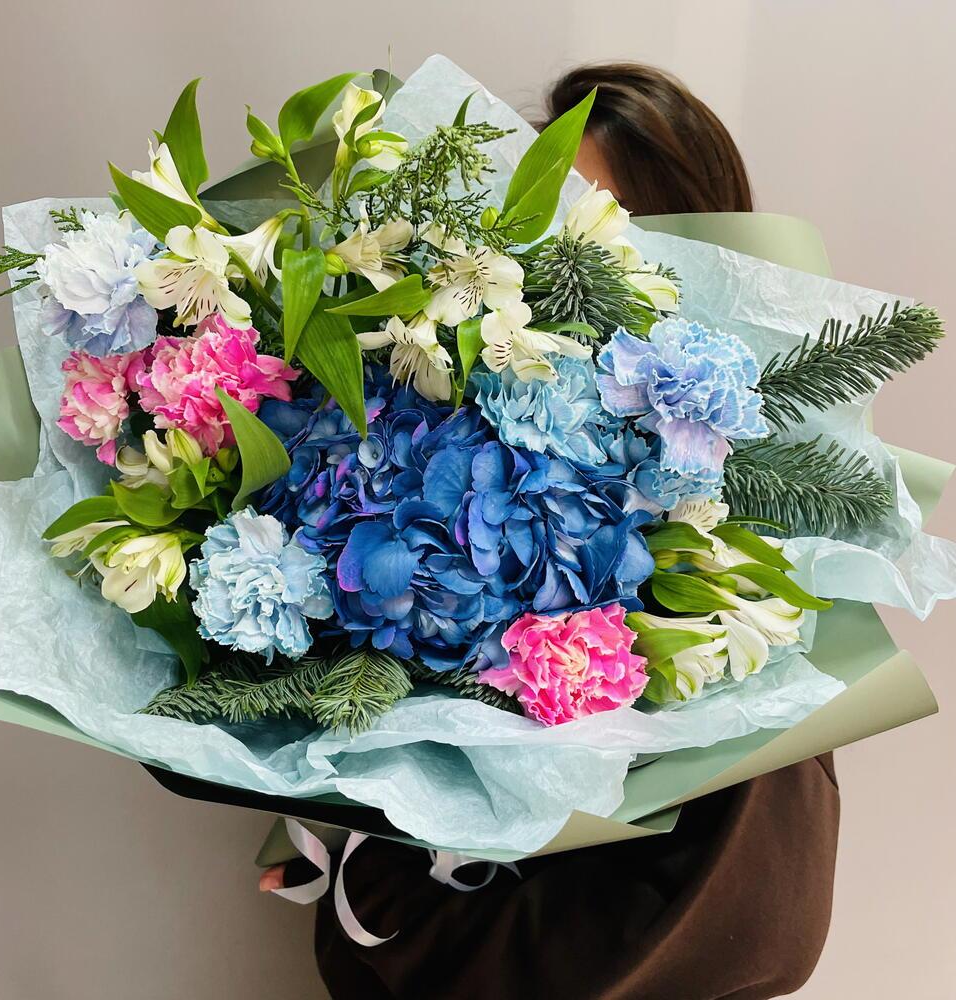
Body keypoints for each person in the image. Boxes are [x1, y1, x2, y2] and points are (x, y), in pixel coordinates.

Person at [260, 63, 840, 1000]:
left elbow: (761, 930)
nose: (568, 273)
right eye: (544, 226)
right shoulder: (441, 466)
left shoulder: (730, 568)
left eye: (609, 235)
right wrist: (342, 829)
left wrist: (378, 892)